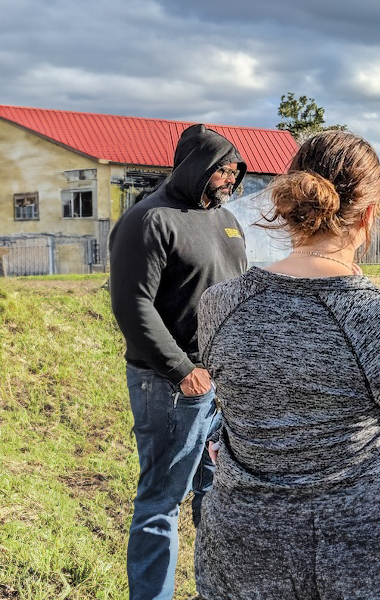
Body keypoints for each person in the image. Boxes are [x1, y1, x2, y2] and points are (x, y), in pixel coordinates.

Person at [193, 130, 380, 599]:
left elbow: (235, 402)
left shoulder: (220, 304)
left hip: (243, 537)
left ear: (291, 204)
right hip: (358, 543)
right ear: (369, 215)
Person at [109, 124, 248, 600]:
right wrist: (183, 371)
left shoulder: (224, 218)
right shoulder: (150, 220)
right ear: (197, 167)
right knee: (161, 503)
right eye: (223, 170)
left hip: (222, 385)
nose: (231, 178)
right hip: (171, 387)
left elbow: (236, 286)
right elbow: (133, 306)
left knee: (217, 496)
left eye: (234, 170)